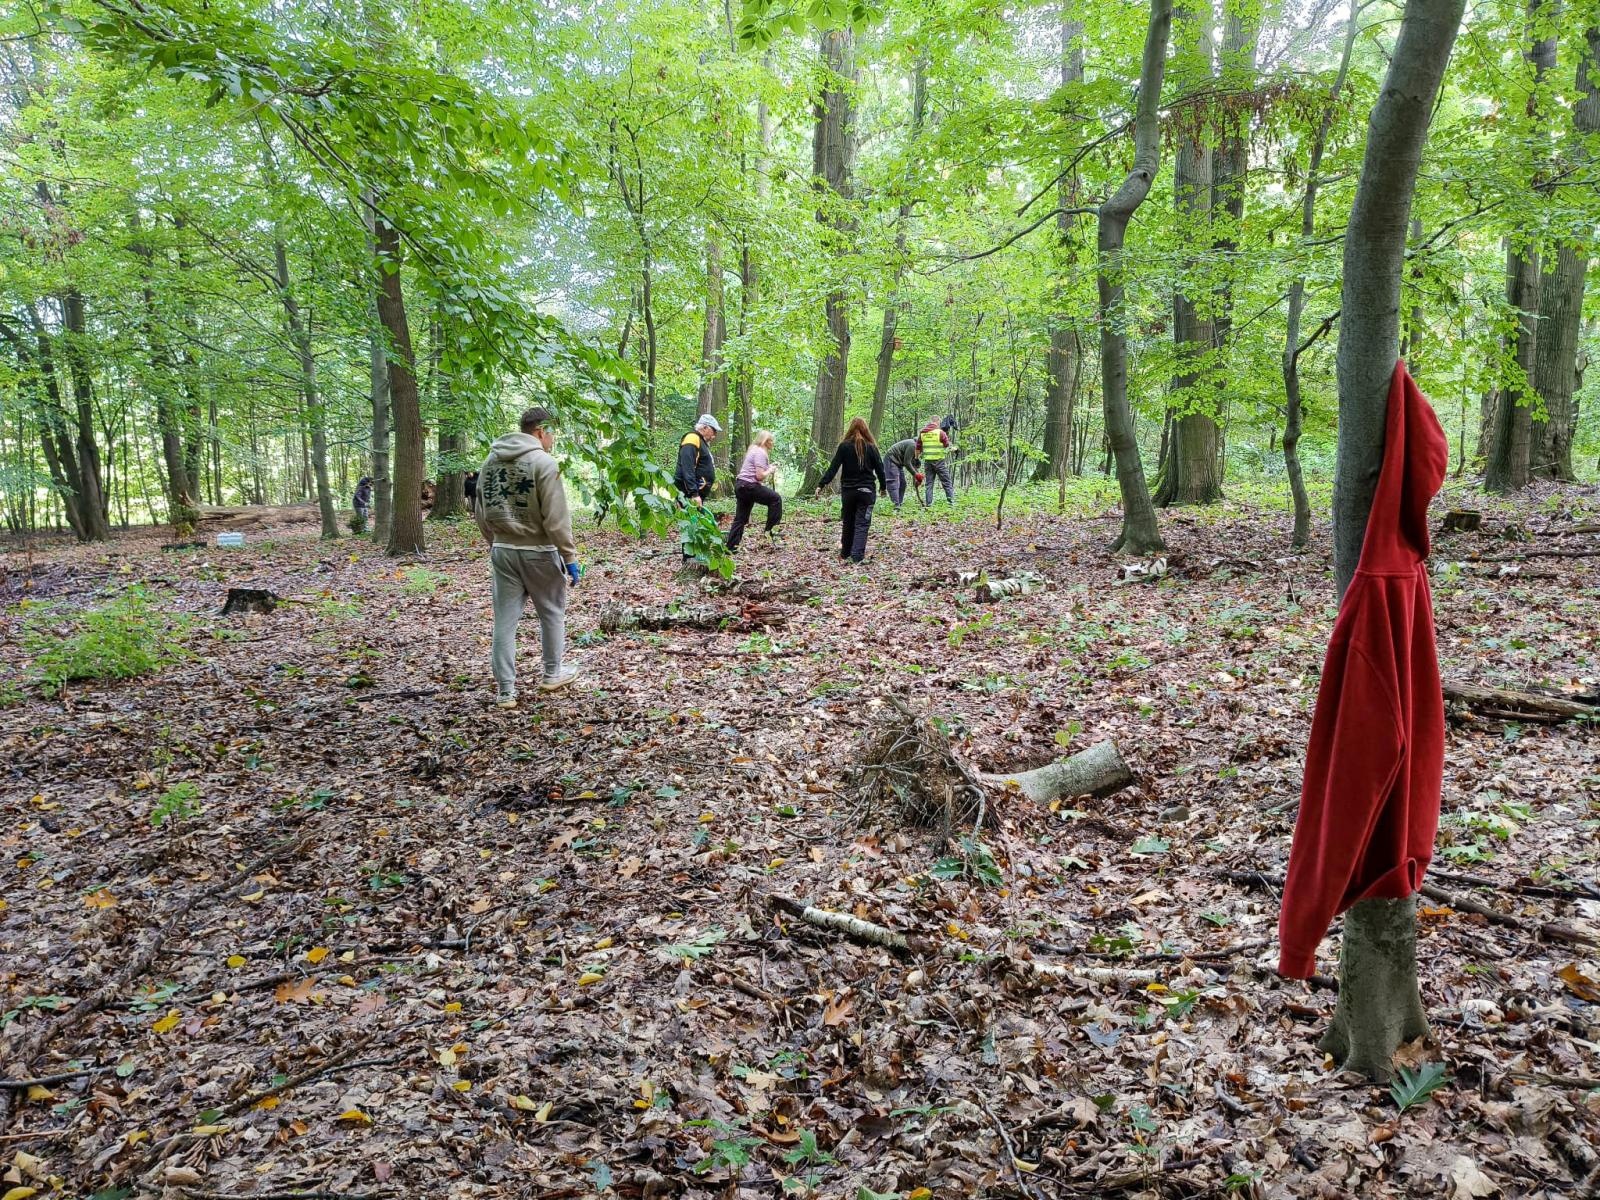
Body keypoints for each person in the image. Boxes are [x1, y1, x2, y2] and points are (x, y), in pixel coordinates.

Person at [474, 406, 581, 707]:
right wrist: (569, 556)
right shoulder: (544, 464)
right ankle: (552, 673)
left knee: (504, 622)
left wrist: (495, 542)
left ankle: (505, 690)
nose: (553, 440)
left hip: (503, 550)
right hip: (540, 552)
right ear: (539, 431)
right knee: (551, 613)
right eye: (552, 433)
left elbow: (481, 511)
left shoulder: (489, 463)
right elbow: (556, 518)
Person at [816, 418, 887, 564]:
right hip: (866, 491)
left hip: (848, 492)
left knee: (848, 521)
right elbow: (880, 469)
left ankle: (845, 552)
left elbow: (833, 467)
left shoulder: (844, 447)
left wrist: (821, 485)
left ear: (850, 429)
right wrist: (883, 487)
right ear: (866, 430)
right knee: (862, 523)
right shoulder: (871, 447)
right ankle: (857, 556)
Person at [727, 430, 783, 551]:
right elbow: (759, 476)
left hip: (741, 485)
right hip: (749, 486)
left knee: (740, 518)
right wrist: (770, 470)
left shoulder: (753, 450)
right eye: (771, 441)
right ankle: (771, 534)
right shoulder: (760, 453)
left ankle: (731, 547)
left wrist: (768, 468)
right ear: (765, 441)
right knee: (776, 499)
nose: (772, 443)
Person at [675, 414, 721, 508]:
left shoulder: (700, 441)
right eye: (714, 431)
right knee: (687, 520)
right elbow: (687, 467)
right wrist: (694, 494)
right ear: (705, 428)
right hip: (688, 494)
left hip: (696, 493)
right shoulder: (692, 438)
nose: (714, 435)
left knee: (694, 520)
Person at [920, 416, 956, 504]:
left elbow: (918, 448)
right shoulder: (940, 433)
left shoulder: (923, 433)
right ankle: (951, 502)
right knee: (946, 482)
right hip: (939, 461)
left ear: (931, 421)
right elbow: (947, 445)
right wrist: (955, 449)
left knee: (929, 484)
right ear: (938, 422)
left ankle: (928, 504)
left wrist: (917, 459)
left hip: (928, 462)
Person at [882, 436, 924, 512]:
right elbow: (907, 463)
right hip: (891, 459)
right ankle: (896, 505)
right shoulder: (912, 445)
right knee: (893, 482)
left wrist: (917, 479)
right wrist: (916, 475)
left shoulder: (918, 449)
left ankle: (899, 503)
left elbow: (912, 464)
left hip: (899, 463)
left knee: (903, 483)